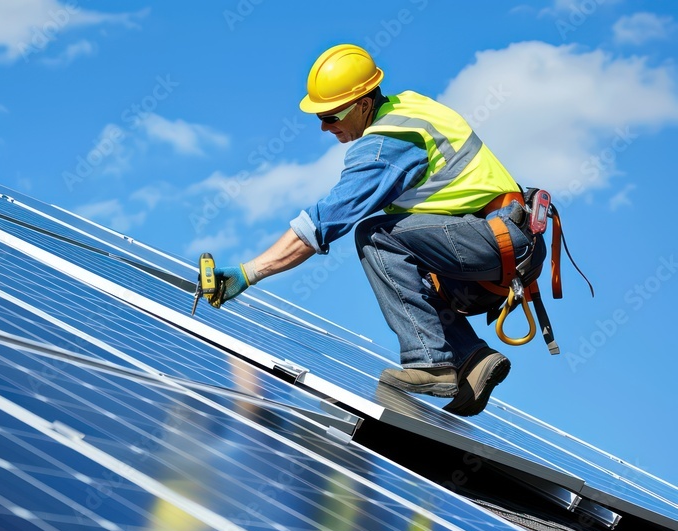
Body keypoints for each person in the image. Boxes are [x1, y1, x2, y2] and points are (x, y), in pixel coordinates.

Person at [207, 44, 545, 417]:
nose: (324, 125)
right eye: (320, 116)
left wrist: (249, 272)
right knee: (403, 253)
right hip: (502, 235)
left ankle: (430, 362)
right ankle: (472, 358)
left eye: (332, 115)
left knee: (374, 235)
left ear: (364, 104)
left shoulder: (388, 143)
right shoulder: (409, 105)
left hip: (493, 239)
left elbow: (324, 222)